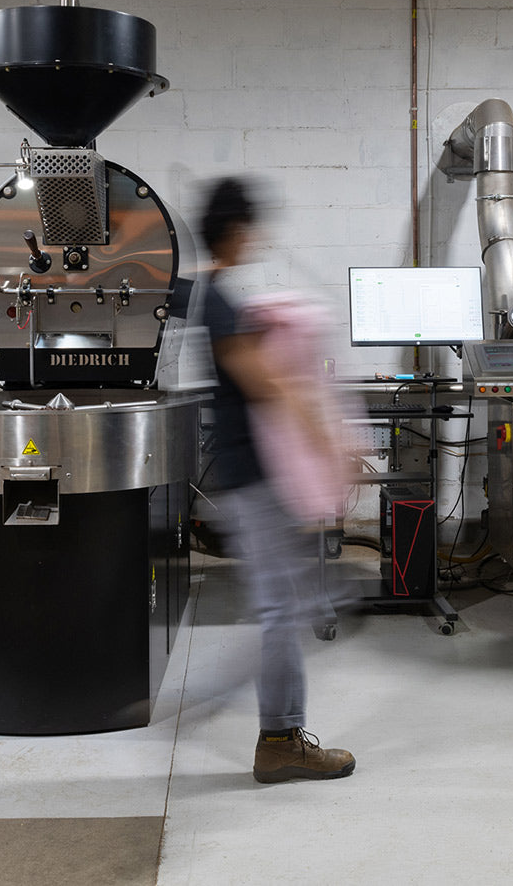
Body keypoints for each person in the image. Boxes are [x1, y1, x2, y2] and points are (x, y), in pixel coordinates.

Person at [199, 176, 356, 784]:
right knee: (280, 611)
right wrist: (332, 446)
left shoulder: (214, 298)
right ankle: (279, 737)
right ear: (237, 230)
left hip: (250, 477)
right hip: (253, 481)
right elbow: (269, 388)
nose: (257, 238)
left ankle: (273, 724)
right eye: (252, 227)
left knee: (285, 604)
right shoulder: (219, 306)